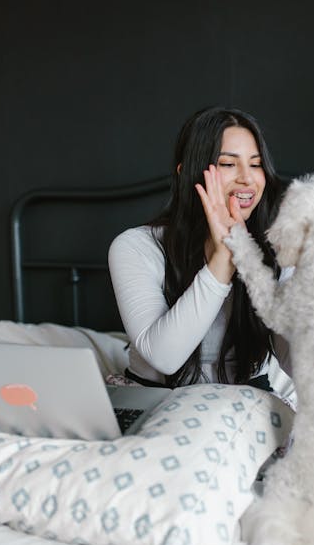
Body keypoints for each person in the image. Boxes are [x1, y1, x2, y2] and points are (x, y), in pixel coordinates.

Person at [108, 106, 291, 390]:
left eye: (255, 164)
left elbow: (300, 365)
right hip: (155, 399)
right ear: (187, 174)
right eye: (228, 164)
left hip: (244, 404)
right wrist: (224, 257)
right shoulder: (137, 246)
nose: (247, 178)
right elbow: (165, 358)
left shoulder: (279, 249)